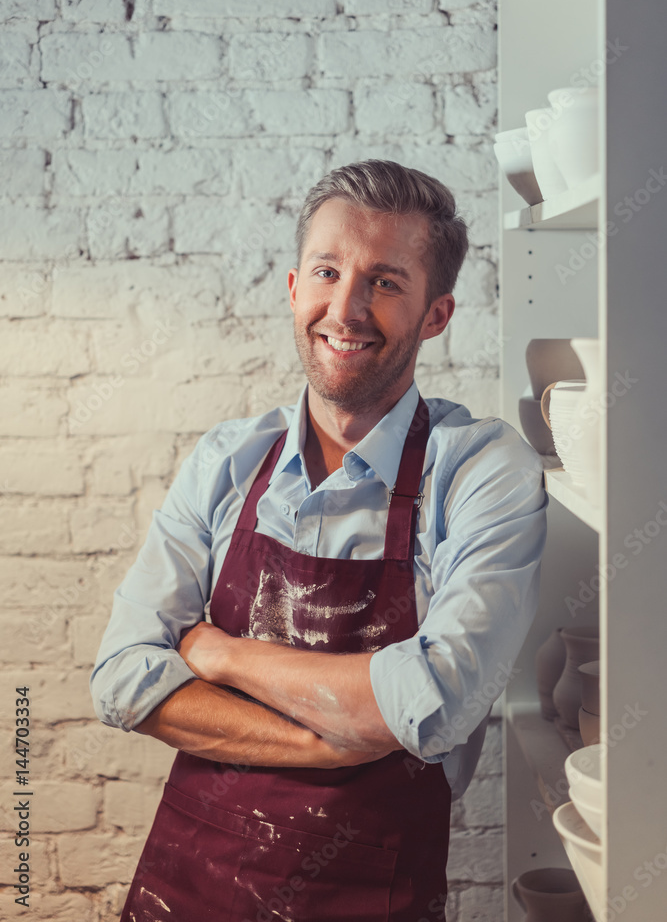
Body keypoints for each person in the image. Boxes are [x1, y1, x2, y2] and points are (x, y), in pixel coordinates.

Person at [91, 158, 547, 922]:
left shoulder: (479, 469)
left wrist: (218, 653)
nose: (347, 306)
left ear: (436, 315)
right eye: (327, 271)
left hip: (368, 896)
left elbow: (431, 706)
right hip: (184, 892)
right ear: (294, 286)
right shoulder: (227, 459)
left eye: (386, 281)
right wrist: (335, 741)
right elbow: (123, 680)